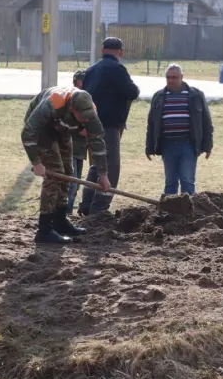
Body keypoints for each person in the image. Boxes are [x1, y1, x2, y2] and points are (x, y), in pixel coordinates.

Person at [21, 86, 110, 244]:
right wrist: (36, 163)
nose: (86, 120)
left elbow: (98, 142)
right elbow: (28, 132)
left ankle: (60, 221)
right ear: (72, 109)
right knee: (55, 174)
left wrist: (103, 175)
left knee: (68, 172)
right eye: (82, 117)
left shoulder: (90, 113)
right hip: (42, 129)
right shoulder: (53, 103)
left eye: (88, 117)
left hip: (62, 128)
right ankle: (44, 230)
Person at [79, 37, 140, 215]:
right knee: (111, 166)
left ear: (102, 50)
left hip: (90, 123)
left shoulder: (91, 70)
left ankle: (86, 204)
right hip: (110, 125)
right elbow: (132, 92)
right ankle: (100, 208)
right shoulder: (118, 69)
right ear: (120, 52)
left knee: (96, 165)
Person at [145, 63, 214, 195]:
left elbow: (207, 123)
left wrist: (208, 146)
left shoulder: (196, 96)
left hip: (188, 145)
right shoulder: (159, 97)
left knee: (187, 181)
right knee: (170, 182)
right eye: (168, 77)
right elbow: (152, 124)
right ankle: (169, 213)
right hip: (167, 146)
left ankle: (187, 213)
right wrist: (149, 147)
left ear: (182, 77)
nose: (171, 80)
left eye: (174, 77)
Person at [66, 70, 88, 214]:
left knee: (77, 183)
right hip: (70, 148)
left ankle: (68, 212)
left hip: (81, 149)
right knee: (71, 184)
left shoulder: (87, 99)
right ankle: (65, 213)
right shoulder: (71, 98)